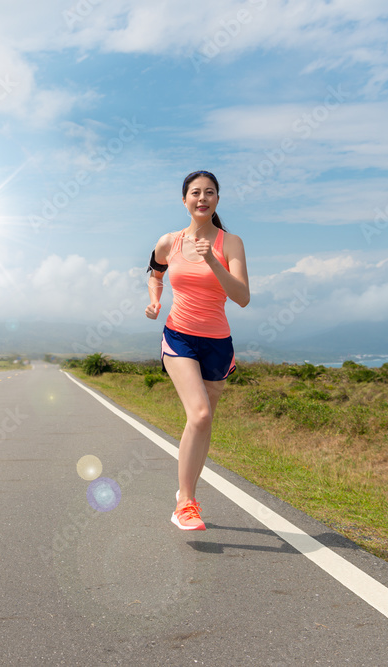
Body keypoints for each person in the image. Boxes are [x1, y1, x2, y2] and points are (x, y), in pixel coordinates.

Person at [145, 170, 250, 530]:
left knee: (201, 424)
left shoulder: (230, 243)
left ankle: (184, 493)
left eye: (209, 193)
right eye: (195, 193)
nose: (202, 198)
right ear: (185, 200)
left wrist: (212, 261)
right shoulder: (169, 242)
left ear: (217, 200)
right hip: (180, 336)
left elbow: (242, 298)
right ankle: (186, 504)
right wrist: (155, 301)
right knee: (201, 414)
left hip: (218, 344)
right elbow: (154, 272)